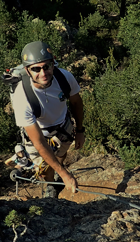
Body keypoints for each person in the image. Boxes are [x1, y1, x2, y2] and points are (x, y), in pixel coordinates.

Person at [11, 41, 85, 197]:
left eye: (47, 66)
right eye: (36, 69)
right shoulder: (22, 97)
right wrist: (65, 174)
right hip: (39, 133)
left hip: (63, 126)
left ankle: (58, 169)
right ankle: (51, 186)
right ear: (27, 70)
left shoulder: (64, 77)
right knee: (45, 170)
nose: (43, 73)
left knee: (61, 154)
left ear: (53, 63)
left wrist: (80, 130)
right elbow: (38, 143)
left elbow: (76, 102)